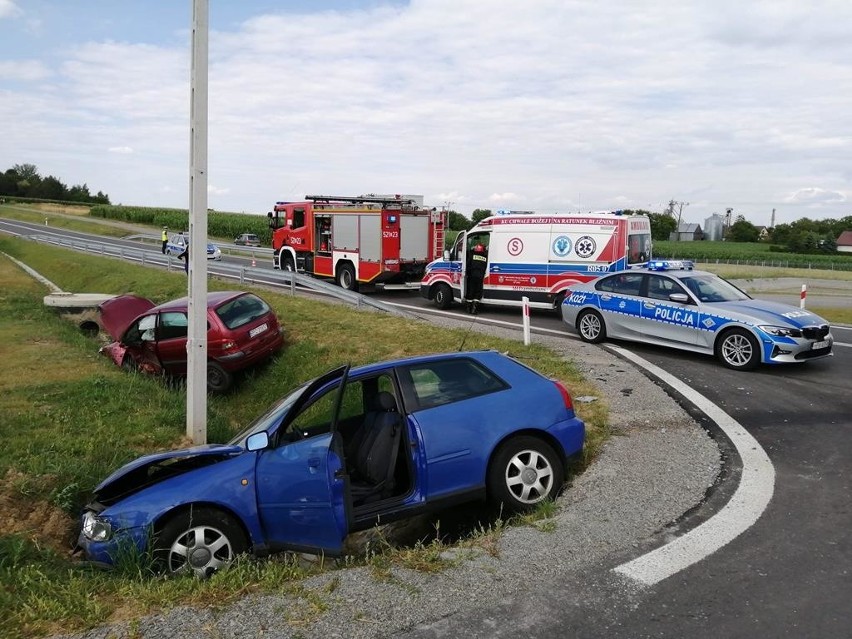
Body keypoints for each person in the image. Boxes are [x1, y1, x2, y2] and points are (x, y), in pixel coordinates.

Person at [465, 241, 488, 313]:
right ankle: (474, 309)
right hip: (480, 277)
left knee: (470, 291)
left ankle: (468, 308)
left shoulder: (472, 255)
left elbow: (468, 265)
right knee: (478, 292)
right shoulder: (485, 257)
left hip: (472, 276)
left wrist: (467, 273)